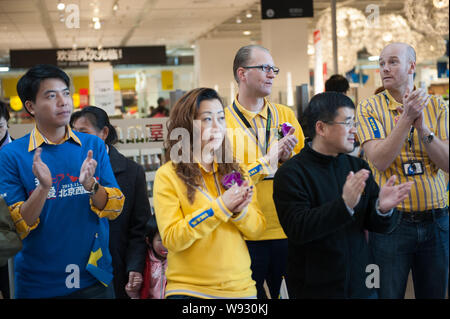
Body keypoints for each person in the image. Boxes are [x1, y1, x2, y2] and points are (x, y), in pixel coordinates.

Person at [0, 64, 125, 298]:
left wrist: (91, 186)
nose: (63, 101)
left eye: (66, 93)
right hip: (39, 284)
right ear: (30, 106)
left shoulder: (93, 146)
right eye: (51, 95)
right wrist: (43, 189)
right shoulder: (11, 155)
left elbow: (115, 206)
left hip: (95, 276)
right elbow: (16, 227)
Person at [273, 92, 413, 298]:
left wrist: (382, 208)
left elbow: (375, 225)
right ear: (321, 128)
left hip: (361, 284)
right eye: (347, 123)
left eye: (354, 122)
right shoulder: (291, 173)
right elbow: (298, 228)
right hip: (315, 287)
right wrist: (344, 204)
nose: (354, 130)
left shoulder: (357, 166)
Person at [153, 87, 266, 299]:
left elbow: (258, 229)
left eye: (221, 118)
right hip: (190, 290)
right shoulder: (168, 175)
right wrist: (221, 208)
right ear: (187, 125)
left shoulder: (236, 170)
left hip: (242, 289)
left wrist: (240, 213)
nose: (217, 127)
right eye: (207, 119)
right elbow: (171, 239)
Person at [356, 42, 449, 299]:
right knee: (387, 293)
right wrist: (406, 118)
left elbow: (448, 164)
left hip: (437, 221)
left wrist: (423, 129)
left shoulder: (439, 107)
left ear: (411, 66)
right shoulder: (368, 108)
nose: (385, 68)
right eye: (382, 63)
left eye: (393, 62)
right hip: (391, 224)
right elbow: (380, 160)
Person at [225, 44, 304, 299]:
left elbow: (306, 170)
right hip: (244, 233)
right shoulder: (222, 122)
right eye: (264, 68)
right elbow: (226, 180)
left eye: (274, 69)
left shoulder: (285, 115)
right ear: (242, 74)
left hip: (287, 228)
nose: (271, 74)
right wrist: (266, 161)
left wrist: (288, 159)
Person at [70, 106, 151, 299]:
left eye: (83, 132)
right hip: (76, 267)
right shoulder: (68, 170)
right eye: (72, 133)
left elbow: (139, 227)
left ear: (104, 133)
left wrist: (135, 266)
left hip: (118, 266)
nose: (76, 139)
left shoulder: (131, 172)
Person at [125, 214, 168, 299]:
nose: (167, 245)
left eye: (170, 239)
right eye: (161, 240)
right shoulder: (143, 262)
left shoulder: (180, 261)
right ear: (148, 241)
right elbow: (138, 295)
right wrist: (132, 290)